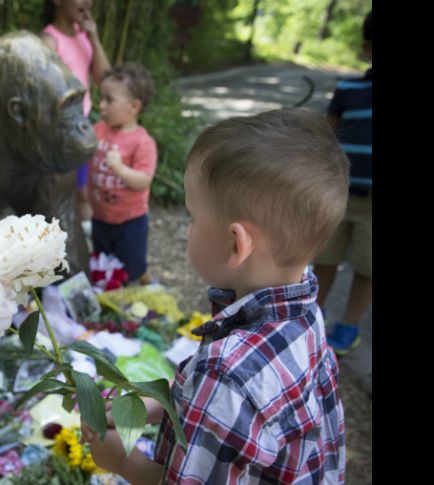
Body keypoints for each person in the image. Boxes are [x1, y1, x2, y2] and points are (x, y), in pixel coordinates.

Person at [81, 108, 348, 484]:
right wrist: (151, 406)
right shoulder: (304, 308)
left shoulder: (226, 373)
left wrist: (122, 461)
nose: (188, 229)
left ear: (236, 243)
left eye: (193, 217)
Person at [312, 10, 372, 356]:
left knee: (367, 265)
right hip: (340, 192)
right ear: (366, 48)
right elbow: (326, 135)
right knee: (324, 257)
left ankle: (349, 324)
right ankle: (311, 318)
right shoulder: (348, 89)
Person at [41, 0, 111, 231]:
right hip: (61, 129)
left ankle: (87, 252)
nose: (88, 2)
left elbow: (106, 81)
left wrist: (94, 38)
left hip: (84, 124)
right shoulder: (49, 40)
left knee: (84, 192)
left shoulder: (84, 36)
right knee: (63, 192)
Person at [87, 63, 157, 284]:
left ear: (134, 107)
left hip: (129, 222)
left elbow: (144, 180)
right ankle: (111, 292)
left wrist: (120, 169)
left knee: (131, 267)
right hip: (100, 217)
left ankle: (147, 283)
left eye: (109, 100)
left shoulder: (142, 142)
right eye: (101, 98)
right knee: (104, 263)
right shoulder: (99, 129)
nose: (102, 105)